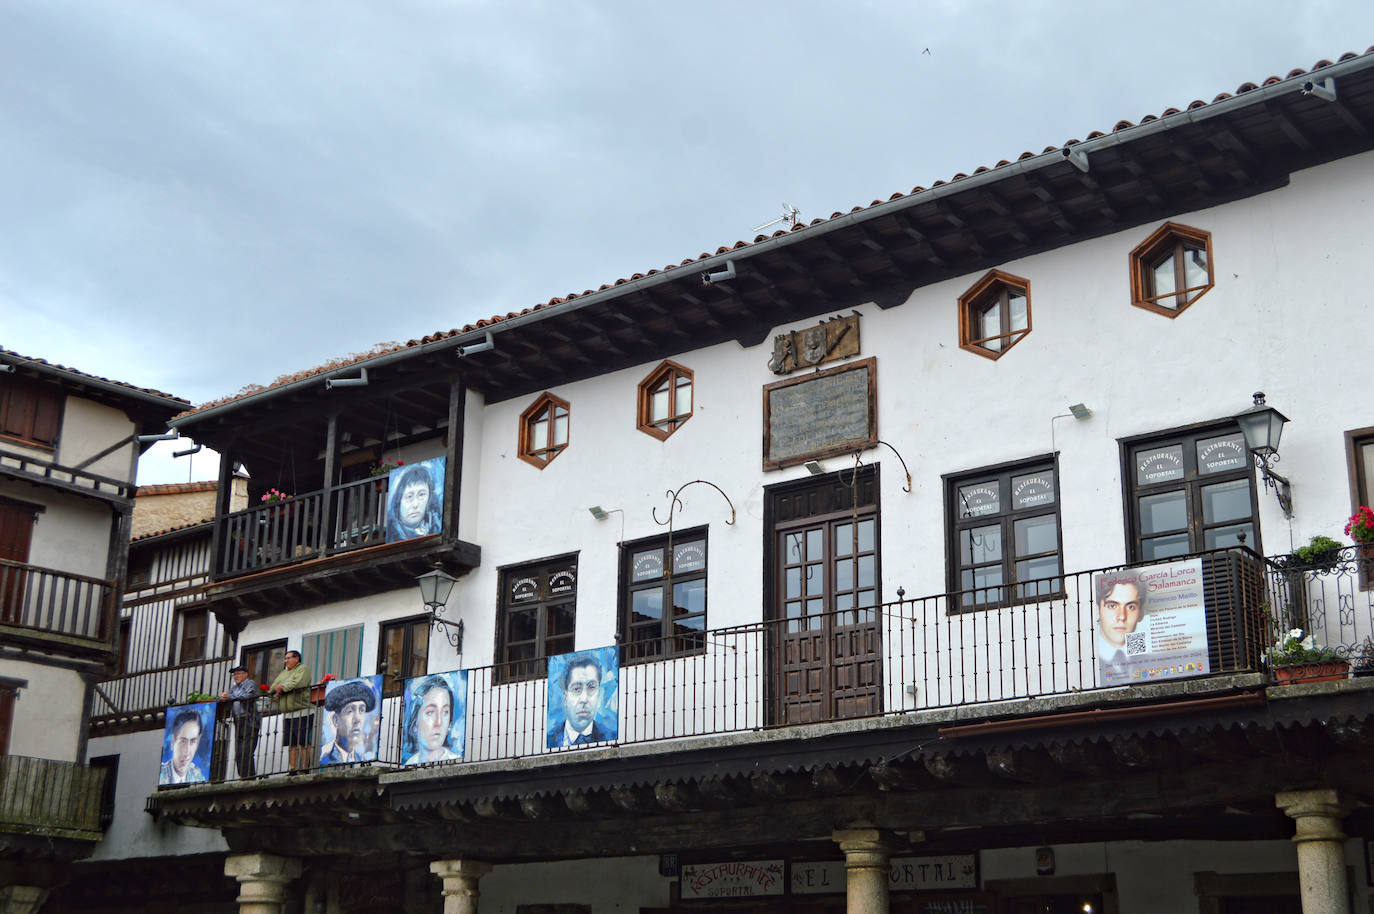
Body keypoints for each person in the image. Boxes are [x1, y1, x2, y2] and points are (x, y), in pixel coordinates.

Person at [547, 655, 609, 748]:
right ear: (565, 698)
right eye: (576, 689)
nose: (584, 699)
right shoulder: (550, 739)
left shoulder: (608, 736)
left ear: (599, 696)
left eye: (591, 687)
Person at [1096, 575, 1147, 684]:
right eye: (1112, 606)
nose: (1122, 616)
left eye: (1130, 607)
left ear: (1141, 613)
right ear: (1098, 610)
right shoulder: (1092, 658)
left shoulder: (1151, 657)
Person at [269, 650, 313, 774]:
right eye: (285, 658)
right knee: (292, 743)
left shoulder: (302, 669)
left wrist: (282, 687)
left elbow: (298, 683)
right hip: (288, 713)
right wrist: (280, 687)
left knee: (303, 741)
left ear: (297, 659)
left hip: (302, 711)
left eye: (288, 658)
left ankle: (305, 769)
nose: (286, 661)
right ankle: (293, 769)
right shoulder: (284, 672)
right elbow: (273, 687)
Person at [403, 675, 461, 764]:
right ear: (414, 723)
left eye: (445, 712)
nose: (439, 722)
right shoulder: (409, 763)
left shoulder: (456, 760)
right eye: (430, 712)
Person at [319, 679, 378, 764]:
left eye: (362, 710)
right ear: (336, 720)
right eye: (350, 711)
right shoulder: (325, 757)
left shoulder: (360, 758)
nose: (357, 719)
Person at [219, 665, 260, 779]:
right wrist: (222, 698)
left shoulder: (250, 683)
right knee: (239, 751)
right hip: (238, 721)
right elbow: (227, 698)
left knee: (247, 750)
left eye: (239, 673)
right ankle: (243, 776)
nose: (236, 676)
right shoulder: (234, 688)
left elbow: (248, 696)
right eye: (234, 674)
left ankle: (249, 777)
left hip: (249, 720)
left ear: (245, 674)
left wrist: (230, 696)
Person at [386, 463, 442, 542]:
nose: (415, 504)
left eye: (421, 495)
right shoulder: (392, 536)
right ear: (398, 502)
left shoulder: (437, 524)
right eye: (409, 497)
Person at [159, 708, 206, 785]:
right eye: (183, 741)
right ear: (172, 742)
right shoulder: (161, 773)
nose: (187, 752)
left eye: (193, 741)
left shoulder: (197, 776)